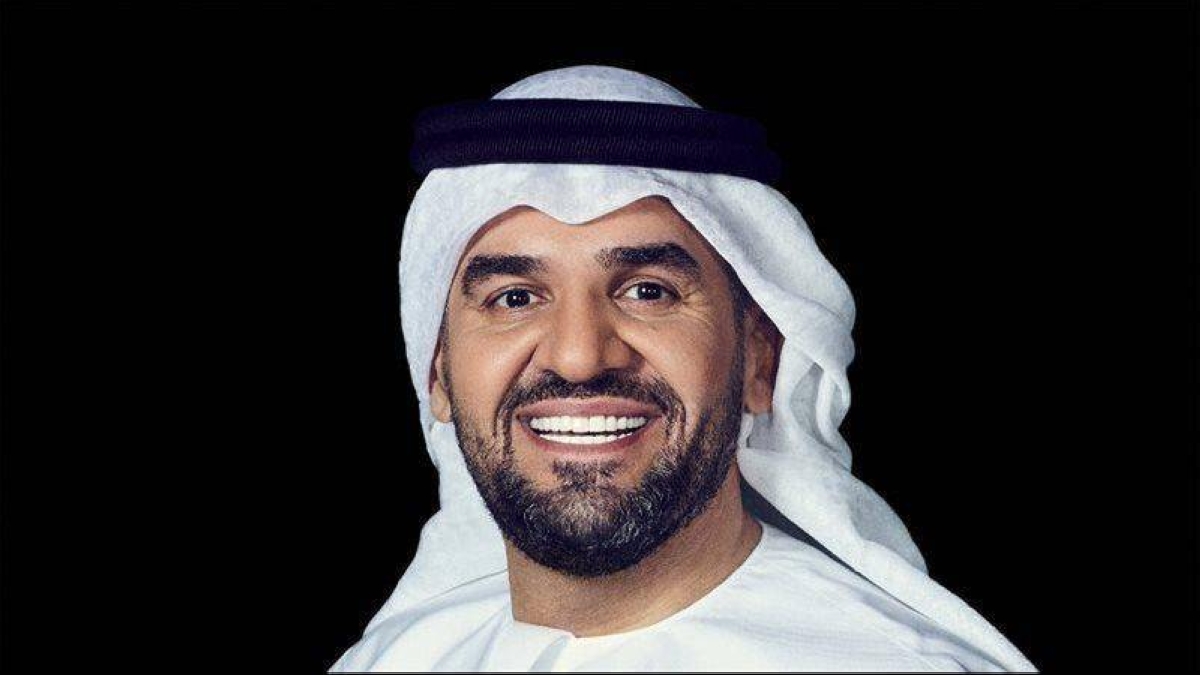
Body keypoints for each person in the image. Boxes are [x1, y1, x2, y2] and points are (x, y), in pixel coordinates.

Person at [331, 65, 1035, 672]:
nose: (579, 356)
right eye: (515, 298)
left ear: (760, 359)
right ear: (438, 374)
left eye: (649, 292)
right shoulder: (393, 658)